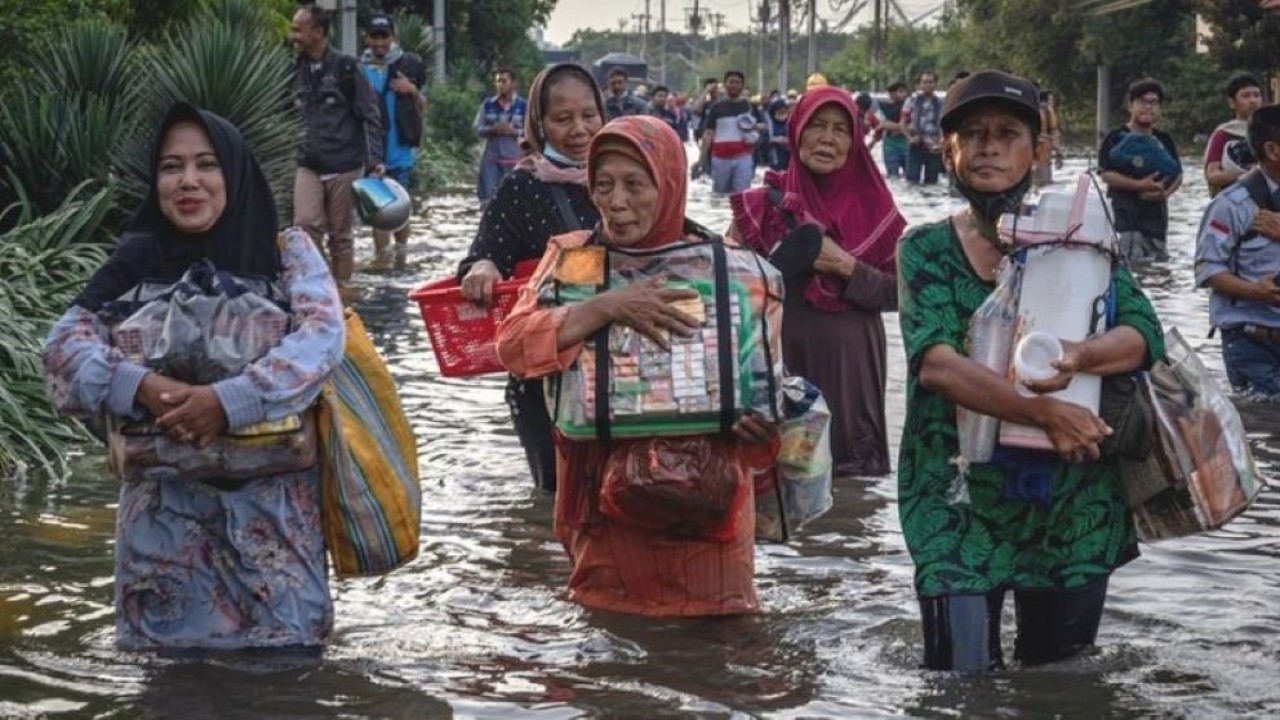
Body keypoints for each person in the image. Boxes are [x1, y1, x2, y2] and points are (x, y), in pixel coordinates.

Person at [42, 103, 346, 650]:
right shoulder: (135, 259)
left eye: (206, 164)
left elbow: (323, 339)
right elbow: (63, 347)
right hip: (162, 537)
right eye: (170, 166)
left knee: (288, 680)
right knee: (169, 685)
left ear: (233, 172)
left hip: (273, 533)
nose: (188, 181)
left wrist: (229, 401)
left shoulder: (287, 254)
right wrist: (141, 387)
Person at [895, 71, 1164, 671]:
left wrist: (1077, 356)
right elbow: (936, 364)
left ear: (1038, 151)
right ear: (949, 151)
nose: (989, 146)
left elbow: (1144, 336)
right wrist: (1041, 410)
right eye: (973, 134)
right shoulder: (925, 250)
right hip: (956, 496)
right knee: (958, 685)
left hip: (1071, 501)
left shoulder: (1085, 238)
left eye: (1008, 134)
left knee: (1060, 683)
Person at [495, 116, 778, 617]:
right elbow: (512, 346)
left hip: (708, 515)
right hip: (604, 515)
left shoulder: (728, 266)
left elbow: (769, 392)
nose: (616, 202)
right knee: (608, 646)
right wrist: (605, 307)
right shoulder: (578, 260)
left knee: (719, 653)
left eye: (634, 184)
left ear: (669, 183)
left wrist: (760, 429)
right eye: (602, 185)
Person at [729, 86, 906, 477]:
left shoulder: (877, 208)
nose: (828, 138)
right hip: (779, 364)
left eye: (841, 129)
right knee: (778, 479)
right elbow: (727, 294)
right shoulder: (762, 206)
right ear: (796, 133)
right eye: (817, 126)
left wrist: (846, 266)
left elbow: (902, 295)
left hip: (852, 370)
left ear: (856, 140)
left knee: (851, 479)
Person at [457, 63, 607, 492]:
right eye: (563, 119)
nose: (580, 130)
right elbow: (484, 254)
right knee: (554, 503)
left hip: (623, 373)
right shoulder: (521, 187)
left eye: (589, 116)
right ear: (538, 125)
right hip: (544, 378)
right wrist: (483, 269)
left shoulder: (622, 175)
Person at [291, 2, 385, 289]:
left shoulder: (346, 67)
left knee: (341, 236)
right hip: (308, 162)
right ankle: (318, 289)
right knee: (304, 227)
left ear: (318, 32)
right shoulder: (293, 69)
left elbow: (369, 114)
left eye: (298, 29)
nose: (293, 35)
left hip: (344, 164)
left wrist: (374, 162)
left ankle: (342, 292)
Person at [1194, 103, 1280, 397]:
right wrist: (1256, 291)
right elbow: (1208, 270)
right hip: (1251, 344)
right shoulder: (1232, 205)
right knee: (1263, 426)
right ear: (1273, 151)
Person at [360, 13, 427, 270]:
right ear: (366, 38)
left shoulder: (407, 68)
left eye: (383, 36)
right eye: (374, 37)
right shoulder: (359, 69)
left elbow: (423, 106)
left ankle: (401, 256)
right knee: (378, 209)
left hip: (399, 152)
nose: (379, 43)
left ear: (393, 37)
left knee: (399, 205)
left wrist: (412, 90)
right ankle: (382, 258)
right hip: (371, 153)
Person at [1098, 78, 1182, 263]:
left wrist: (1164, 193)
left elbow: (1178, 175)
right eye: (1142, 102)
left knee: (1157, 268)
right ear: (1130, 105)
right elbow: (1106, 175)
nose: (1148, 107)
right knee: (1128, 263)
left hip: (1155, 219)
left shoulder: (1164, 139)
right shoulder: (1115, 138)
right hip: (1125, 216)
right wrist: (1139, 185)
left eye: (1153, 103)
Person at [699, 70, 765, 195]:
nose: (734, 85)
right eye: (731, 82)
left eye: (737, 82)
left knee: (742, 195)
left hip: (743, 157)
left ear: (742, 85)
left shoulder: (750, 106)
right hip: (720, 158)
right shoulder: (716, 107)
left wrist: (754, 126)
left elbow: (763, 125)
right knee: (719, 195)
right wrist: (701, 160)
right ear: (725, 84)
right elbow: (708, 133)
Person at [1204, 72, 1265, 198]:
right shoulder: (1223, 134)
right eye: (1246, 96)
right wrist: (1248, 175)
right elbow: (1212, 175)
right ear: (1232, 102)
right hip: (1234, 201)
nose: (1253, 101)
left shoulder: (1270, 131)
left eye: (1256, 95)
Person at [475, 67, 528, 206]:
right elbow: (478, 129)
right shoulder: (488, 105)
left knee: (515, 203)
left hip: (514, 160)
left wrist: (514, 131)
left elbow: (532, 132)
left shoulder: (523, 106)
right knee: (488, 201)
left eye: (504, 81)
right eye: (498, 81)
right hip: (491, 160)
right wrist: (493, 129)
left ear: (513, 84)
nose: (500, 85)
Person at [903, 70, 944, 185]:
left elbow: (944, 126)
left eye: (930, 82)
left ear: (935, 84)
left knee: (932, 183)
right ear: (920, 84)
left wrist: (942, 143)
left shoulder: (941, 104)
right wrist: (910, 138)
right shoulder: (911, 101)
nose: (927, 85)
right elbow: (902, 124)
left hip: (934, 147)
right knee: (911, 182)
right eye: (924, 82)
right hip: (915, 145)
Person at [875, 81, 911, 179]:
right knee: (892, 176)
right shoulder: (884, 107)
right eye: (900, 91)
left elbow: (914, 125)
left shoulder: (912, 106)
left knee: (911, 176)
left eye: (904, 91)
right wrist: (902, 127)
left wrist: (893, 126)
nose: (903, 94)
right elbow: (881, 125)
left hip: (907, 142)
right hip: (890, 144)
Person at [1032, 89, 1063, 189]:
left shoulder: (1031, 109)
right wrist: (1058, 151)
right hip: (1043, 148)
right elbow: (1054, 132)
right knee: (1043, 179)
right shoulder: (1047, 111)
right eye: (1051, 100)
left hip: (1037, 148)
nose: (1052, 103)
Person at [691, 77, 721, 144]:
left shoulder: (722, 102)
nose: (714, 91)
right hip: (706, 136)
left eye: (716, 88)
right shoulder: (706, 103)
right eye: (712, 89)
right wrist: (706, 92)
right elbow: (696, 109)